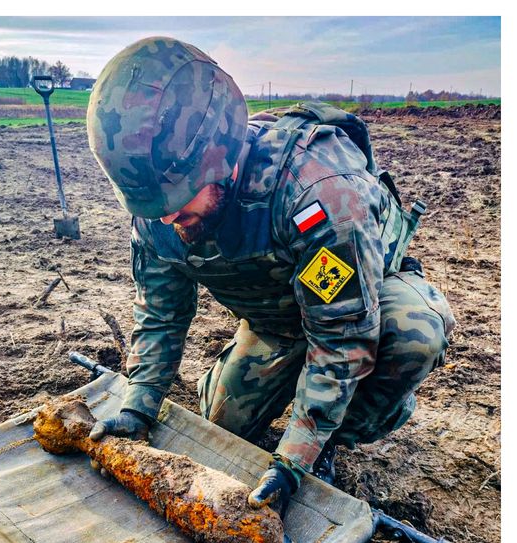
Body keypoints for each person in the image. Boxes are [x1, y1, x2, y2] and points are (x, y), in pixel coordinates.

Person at [85, 37, 454, 516]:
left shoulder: (315, 192)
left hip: (360, 308)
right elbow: (160, 313)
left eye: (177, 198)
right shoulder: (159, 210)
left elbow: (343, 336)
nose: (167, 217)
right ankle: (293, 385)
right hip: (277, 319)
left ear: (219, 157)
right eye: (154, 206)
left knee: (412, 332)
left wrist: (295, 459)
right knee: (223, 430)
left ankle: (336, 435)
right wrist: (138, 404)